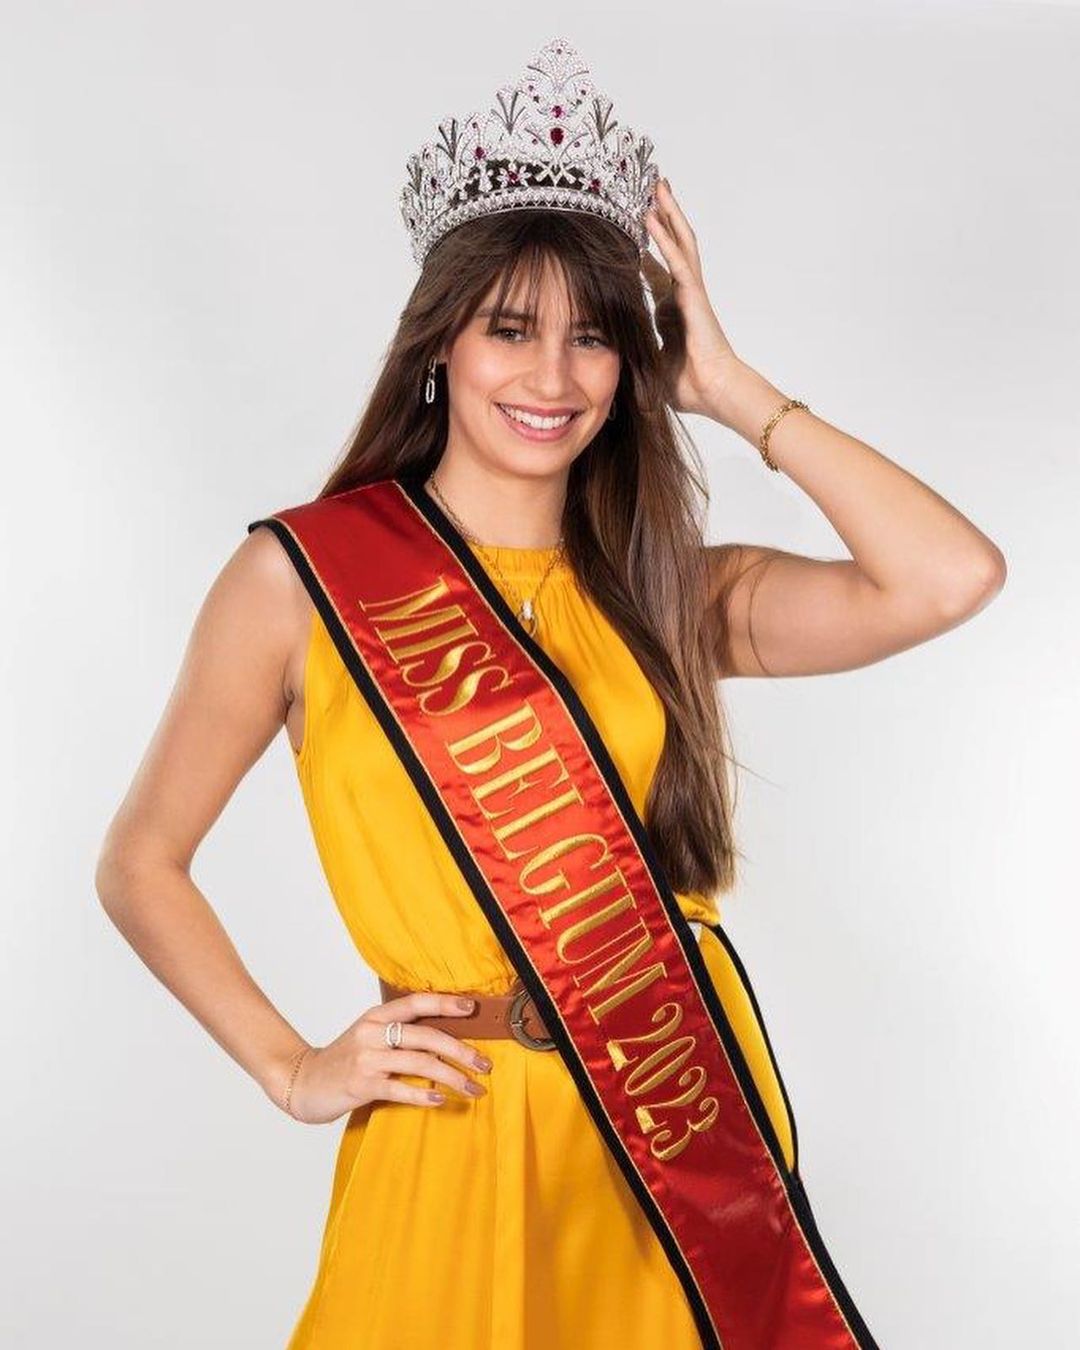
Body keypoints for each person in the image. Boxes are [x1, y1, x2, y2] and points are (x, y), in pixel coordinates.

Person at [95, 35, 1005, 1350]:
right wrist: (292, 1067)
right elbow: (142, 862)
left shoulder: (664, 589)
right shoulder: (302, 580)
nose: (553, 377)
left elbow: (948, 577)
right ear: (441, 344)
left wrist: (730, 389)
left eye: (593, 338)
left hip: (668, 1138)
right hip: (453, 1123)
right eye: (510, 329)